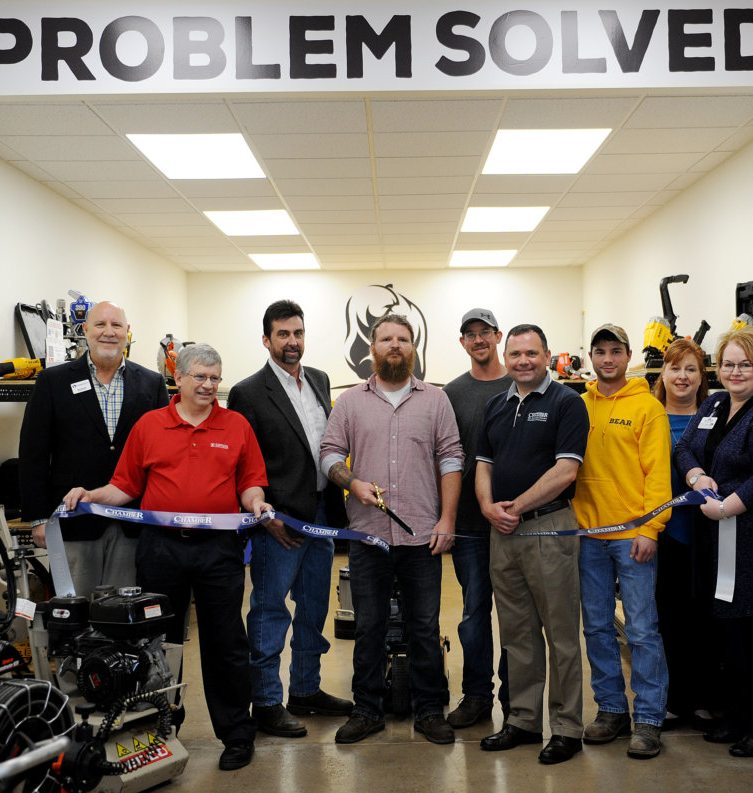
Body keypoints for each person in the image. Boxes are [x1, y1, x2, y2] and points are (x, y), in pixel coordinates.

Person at [61, 344, 270, 772]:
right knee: (156, 643)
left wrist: (257, 504)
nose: (210, 386)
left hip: (218, 551)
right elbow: (124, 486)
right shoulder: (150, 425)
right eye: (202, 377)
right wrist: (89, 494)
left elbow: (250, 483)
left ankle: (236, 734)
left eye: (216, 378)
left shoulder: (237, 426)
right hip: (161, 549)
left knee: (226, 642)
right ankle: (160, 727)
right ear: (180, 379)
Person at [319, 313, 463, 746]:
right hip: (368, 537)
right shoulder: (349, 403)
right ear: (372, 348)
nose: (394, 344)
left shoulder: (436, 400)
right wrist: (351, 482)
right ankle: (366, 709)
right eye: (386, 338)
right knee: (369, 626)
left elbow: (451, 457)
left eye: (403, 338)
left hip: (423, 536)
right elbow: (329, 454)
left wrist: (448, 518)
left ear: (413, 348)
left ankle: (430, 710)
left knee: (423, 625)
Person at [674, 326, 753, 758]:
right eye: (727, 363)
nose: (735, 371)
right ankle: (736, 713)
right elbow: (685, 448)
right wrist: (696, 476)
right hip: (713, 538)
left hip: (752, 540)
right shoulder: (713, 403)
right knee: (725, 632)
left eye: (745, 363)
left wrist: (729, 505)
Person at [226, 300, 352, 739]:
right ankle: (265, 702)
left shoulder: (318, 379)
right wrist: (264, 518)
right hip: (278, 522)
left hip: (322, 515)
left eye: (298, 333)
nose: (292, 342)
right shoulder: (247, 392)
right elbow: (243, 463)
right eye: (283, 334)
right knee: (269, 609)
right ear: (267, 339)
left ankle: (305, 690)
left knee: (314, 608)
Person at [475, 324, 590, 765]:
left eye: (532, 353)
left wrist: (515, 507)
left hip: (548, 527)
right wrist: (489, 508)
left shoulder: (567, 403)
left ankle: (566, 728)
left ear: (546, 356)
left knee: (560, 633)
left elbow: (566, 472)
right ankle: (522, 720)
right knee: (517, 632)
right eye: (516, 353)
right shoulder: (495, 406)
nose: (523, 361)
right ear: (506, 358)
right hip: (502, 533)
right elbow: (483, 464)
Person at [19, 300, 169, 598]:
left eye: (116, 325)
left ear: (128, 332)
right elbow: (33, 454)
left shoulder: (151, 384)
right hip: (75, 520)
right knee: (75, 609)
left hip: (133, 521)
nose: (108, 332)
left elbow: (164, 452)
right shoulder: (53, 381)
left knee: (124, 611)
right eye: (100, 325)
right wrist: (38, 520)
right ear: (85, 330)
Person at [573, 323, 671, 760]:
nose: (608, 359)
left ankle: (649, 718)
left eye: (616, 351)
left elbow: (658, 475)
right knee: (595, 627)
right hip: (588, 535)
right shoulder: (577, 406)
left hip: (633, 537)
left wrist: (651, 528)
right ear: (591, 358)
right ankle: (611, 710)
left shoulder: (648, 408)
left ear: (629, 356)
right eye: (600, 351)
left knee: (642, 629)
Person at [442, 307, 512, 729]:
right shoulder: (450, 394)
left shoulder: (524, 383)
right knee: (473, 616)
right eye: (470, 333)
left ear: (498, 336)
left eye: (485, 331)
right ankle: (476, 696)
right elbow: (445, 457)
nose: (479, 339)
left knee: (517, 615)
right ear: (463, 342)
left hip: (518, 521)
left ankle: (517, 700)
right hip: (469, 524)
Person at [651, 338, 715, 732]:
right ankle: (673, 701)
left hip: (708, 533)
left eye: (691, 369)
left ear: (701, 377)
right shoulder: (651, 417)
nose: (682, 377)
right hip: (664, 533)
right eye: (675, 368)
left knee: (705, 616)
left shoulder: (715, 419)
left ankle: (706, 698)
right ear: (663, 374)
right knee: (668, 616)